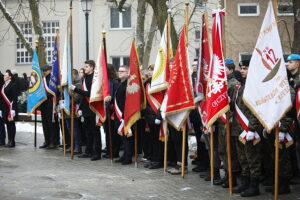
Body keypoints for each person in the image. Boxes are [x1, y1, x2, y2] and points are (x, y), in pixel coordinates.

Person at [231, 60, 263, 197]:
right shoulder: (239, 87)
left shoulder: (255, 87)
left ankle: (254, 186)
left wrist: (252, 128)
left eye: (245, 68)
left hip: (250, 129)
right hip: (239, 129)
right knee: (242, 158)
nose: (243, 71)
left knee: (252, 159)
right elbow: (235, 106)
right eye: (242, 68)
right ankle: (245, 182)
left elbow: (257, 110)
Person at [215, 59, 240, 187]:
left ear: (231, 70)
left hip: (229, 122)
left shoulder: (234, 85)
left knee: (230, 150)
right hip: (221, 122)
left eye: (224, 69)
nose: (222, 71)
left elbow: (235, 105)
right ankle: (227, 173)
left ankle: (233, 177)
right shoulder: (222, 83)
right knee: (222, 150)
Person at [71, 60, 101, 161]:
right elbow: (84, 96)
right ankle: (88, 151)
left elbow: (89, 94)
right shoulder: (85, 78)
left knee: (95, 131)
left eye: (87, 66)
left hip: (93, 108)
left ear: (92, 67)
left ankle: (97, 153)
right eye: (85, 66)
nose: (85, 68)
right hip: (86, 108)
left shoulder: (94, 79)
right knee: (88, 131)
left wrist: (76, 89)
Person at [114, 65, 133, 165]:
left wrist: (125, 115)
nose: (119, 73)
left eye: (122, 71)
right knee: (123, 137)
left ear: (128, 73)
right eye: (119, 71)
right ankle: (124, 155)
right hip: (118, 114)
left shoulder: (129, 84)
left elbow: (128, 102)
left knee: (127, 137)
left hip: (125, 114)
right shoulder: (120, 83)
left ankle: (128, 157)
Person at [103, 64, 121, 159]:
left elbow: (116, 95)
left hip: (112, 110)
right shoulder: (105, 82)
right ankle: (109, 149)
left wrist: (111, 102)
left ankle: (115, 151)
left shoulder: (115, 82)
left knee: (113, 132)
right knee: (107, 131)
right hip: (105, 109)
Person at [39, 65, 59, 149]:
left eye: (45, 70)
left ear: (50, 70)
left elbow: (54, 92)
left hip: (51, 103)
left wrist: (45, 96)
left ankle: (53, 142)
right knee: (45, 123)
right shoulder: (43, 79)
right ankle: (46, 141)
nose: (44, 72)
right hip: (43, 104)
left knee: (52, 124)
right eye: (43, 70)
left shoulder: (53, 79)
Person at [1, 71, 17, 147]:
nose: (4, 77)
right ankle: (9, 140)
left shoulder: (13, 85)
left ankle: (12, 141)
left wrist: (13, 109)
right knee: (8, 124)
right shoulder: (4, 86)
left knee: (11, 125)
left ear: (10, 77)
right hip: (5, 109)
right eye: (4, 75)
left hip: (10, 108)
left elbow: (14, 98)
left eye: (6, 75)